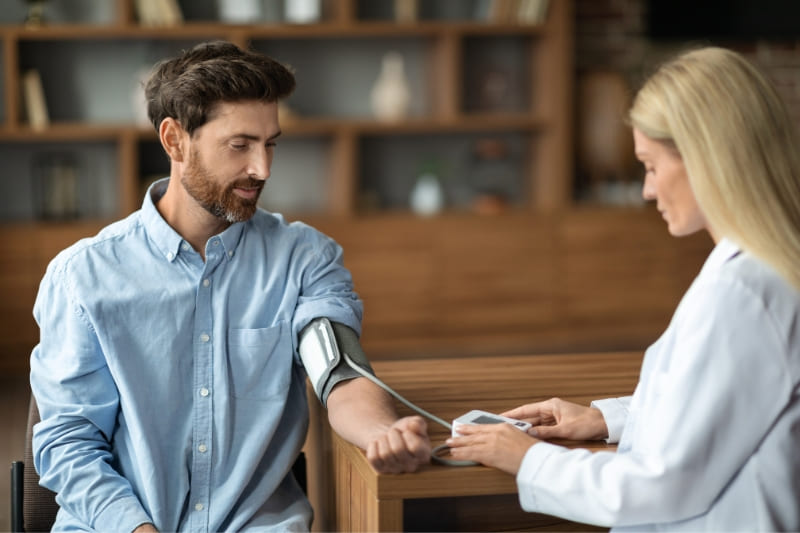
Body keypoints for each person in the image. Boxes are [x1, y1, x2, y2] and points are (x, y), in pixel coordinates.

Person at [29, 40, 431, 533]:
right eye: (240, 145)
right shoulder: (83, 277)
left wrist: (384, 433)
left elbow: (341, 375)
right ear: (175, 140)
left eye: (271, 144)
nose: (262, 169)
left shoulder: (305, 259)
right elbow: (69, 443)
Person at [446, 46, 800, 531]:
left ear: (706, 158)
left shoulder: (743, 292)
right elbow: (727, 410)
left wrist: (527, 458)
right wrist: (605, 419)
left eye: (651, 166)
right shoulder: (765, 270)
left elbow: (660, 485)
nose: (646, 190)